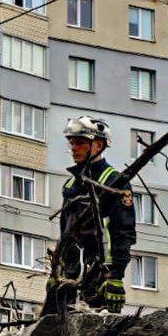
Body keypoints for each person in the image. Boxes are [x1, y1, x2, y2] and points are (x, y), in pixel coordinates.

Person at [48, 116, 136, 314]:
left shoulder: (114, 183)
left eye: (80, 143)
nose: (74, 148)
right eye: (72, 143)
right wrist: (57, 271)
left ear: (98, 145)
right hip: (69, 277)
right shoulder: (71, 185)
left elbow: (123, 233)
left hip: (99, 275)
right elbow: (65, 235)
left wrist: (114, 276)